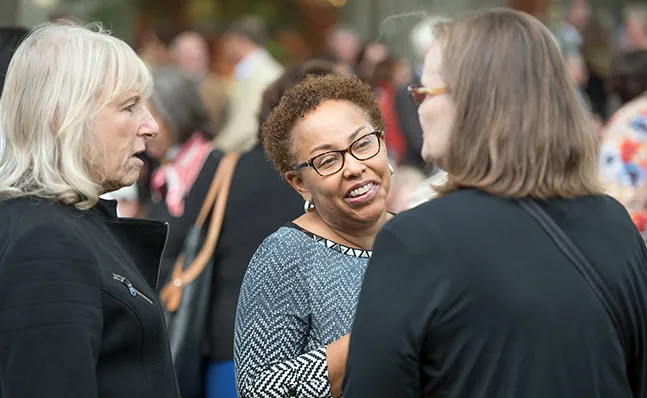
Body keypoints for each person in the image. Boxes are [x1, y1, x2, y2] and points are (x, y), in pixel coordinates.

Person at [343, 8, 647, 398]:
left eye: (424, 89)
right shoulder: (614, 225)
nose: (416, 104)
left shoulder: (416, 241)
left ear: (473, 103)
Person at [0, 22, 180, 398]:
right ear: (64, 117)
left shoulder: (65, 221)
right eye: (129, 106)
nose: (150, 125)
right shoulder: (46, 240)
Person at [234, 74, 393, 398]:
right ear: (299, 183)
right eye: (328, 160)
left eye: (363, 143)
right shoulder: (284, 255)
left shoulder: (420, 237)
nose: (354, 167)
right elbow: (257, 390)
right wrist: (381, 334)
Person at [215, 16, 282, 153]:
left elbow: (247, 123)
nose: (225, 47)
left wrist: (217, 149)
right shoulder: (253, 70)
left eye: (228, 41)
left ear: (240, 41)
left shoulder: (263, 74)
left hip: (252, 152)